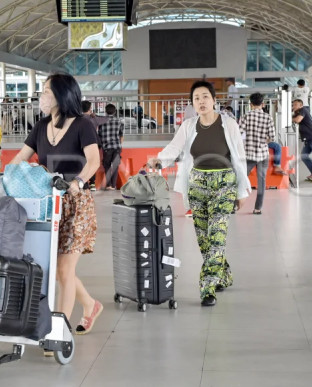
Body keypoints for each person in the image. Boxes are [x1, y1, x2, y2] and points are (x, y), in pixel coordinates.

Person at [8, 72, 103, 337]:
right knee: (57, 268)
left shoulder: (83, 125)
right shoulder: (40, 126)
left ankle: (57, 332)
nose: (42, 96)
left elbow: (93, 160)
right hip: (48, 203)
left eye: (46, 91)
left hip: (75, 203)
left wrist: (79, 182)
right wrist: (2, 177)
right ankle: (90, 305)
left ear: (61, 94)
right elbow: (20, 157)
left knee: (63, 268)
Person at [149, 80, 250, 307]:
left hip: (225, 183)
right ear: (192, 103)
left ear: (214, 100)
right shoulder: (188, 125)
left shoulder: (229, 124)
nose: (201, 101)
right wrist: (159, 160)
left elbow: (239, 157)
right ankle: (223, 273)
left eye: (205, 96)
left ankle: (208, 288)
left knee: (217, 235)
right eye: (196, 98)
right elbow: (173, 148)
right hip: (197, 185)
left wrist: (242, 191)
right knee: (204, 239)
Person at [240, 92, 275, 215]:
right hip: (262, 154)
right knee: (261, 182)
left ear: (250, 104)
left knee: (241, 178)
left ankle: (235, 205)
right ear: (263, 104)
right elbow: (272, 137)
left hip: (248, 154)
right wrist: (263, 140)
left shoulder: (246, 116)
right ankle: (257, 208)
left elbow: (239, 134)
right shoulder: (268, 117)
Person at [292, 98, 312, 182]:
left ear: (301, 105)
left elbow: (298, 120)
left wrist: (289, 119)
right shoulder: (297, 113)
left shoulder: (303, 110)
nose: (293, 106)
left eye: (295, 104)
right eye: (293, 104)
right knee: (304, 156)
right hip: (308, 139)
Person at [97, 103, 124, 190]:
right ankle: (113, 185)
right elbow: (121, 135)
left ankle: (108, 185)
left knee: (107, 165)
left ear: (105, 111)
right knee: (115, 166)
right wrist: (120, 145)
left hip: (106, 147)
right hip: (117, 146)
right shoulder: (119, 121)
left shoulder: (102, 121)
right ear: (115, 111)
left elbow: (99, 134)